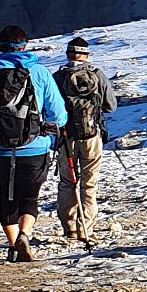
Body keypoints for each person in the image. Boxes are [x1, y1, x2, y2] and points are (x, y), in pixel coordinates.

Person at [0, 26, 66, 262]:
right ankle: (25, 235)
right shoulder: (39, 72)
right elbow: (59, 115)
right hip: (34, 147)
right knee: (29, 197)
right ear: (25, 46)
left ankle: (12, 244)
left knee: (5, 196)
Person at [53, 37, 116, 246]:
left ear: (68, 54)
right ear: (87, 55)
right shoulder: (97, 76)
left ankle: (69, 228)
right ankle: (85, 228)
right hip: (91, 136)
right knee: (89, 184)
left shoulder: (58, 77)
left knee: (67, 182)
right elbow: (110, 106)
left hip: (65, 137)